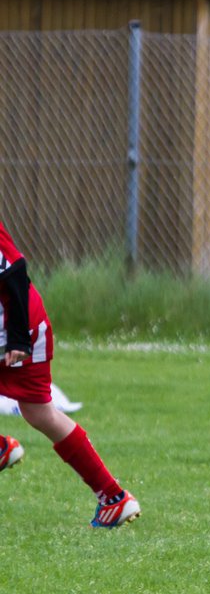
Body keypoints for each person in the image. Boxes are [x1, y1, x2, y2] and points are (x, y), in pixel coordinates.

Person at [0, 219, 139, 528]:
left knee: (40, 412)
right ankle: (114, 498)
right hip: (18, 328)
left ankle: (114, 499)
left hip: (18, 328)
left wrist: (19, 337)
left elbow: (15, 271)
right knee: (38, 413)